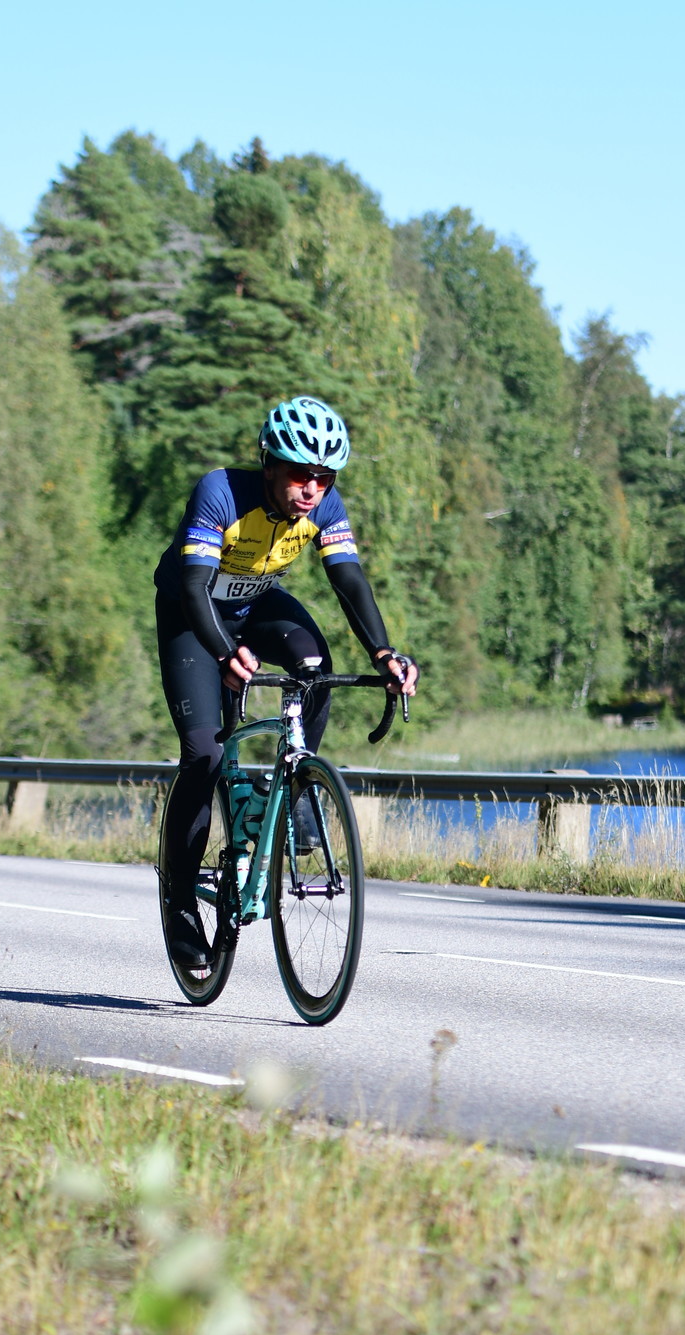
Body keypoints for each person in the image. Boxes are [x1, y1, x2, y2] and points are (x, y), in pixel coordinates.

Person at [153, 394, 419, 971]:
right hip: (192, 616)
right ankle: (179, 903)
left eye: (325, 478)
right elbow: (195, 588)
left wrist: (383, 653)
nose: (312, 489)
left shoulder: (324, 506)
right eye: (301, 474)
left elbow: (348, 579)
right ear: (270, 465)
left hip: (256, 604)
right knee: (203, 756)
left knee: (314, 666)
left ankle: (296, 785)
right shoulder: (220, 492)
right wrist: (224, 653)